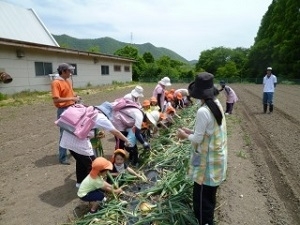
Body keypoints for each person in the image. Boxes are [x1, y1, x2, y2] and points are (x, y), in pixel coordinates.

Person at [177, 72, 227, 225]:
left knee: (203, 202)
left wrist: (183, 135)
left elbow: (198, 139)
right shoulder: (216, 104)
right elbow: (207, 133)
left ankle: (204, 222)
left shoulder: (203, 111)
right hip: (215, 158)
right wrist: (190, 131)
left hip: (208, 164)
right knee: (206, 196)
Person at [60, 106, 130, 188]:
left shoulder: (89, 111)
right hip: (79, 143)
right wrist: (127, 140)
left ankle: (79, 183)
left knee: (80, 162)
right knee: (94, 165)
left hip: (67, 139)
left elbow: (85, 131)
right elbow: (116, 132)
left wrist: (95, 135)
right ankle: (99, 187)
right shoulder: (101, 118)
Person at [51, 63, 81, 165]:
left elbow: (69, 93)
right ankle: (62, 157)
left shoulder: (67, 81)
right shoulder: (56, 83)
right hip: (63, 110)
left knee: (74, 131)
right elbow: (56, 99)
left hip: (71, 108)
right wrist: (72, 98)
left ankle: (73, 151)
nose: (71, 73)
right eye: (69, 71)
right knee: (64, 134)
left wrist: (75, 95)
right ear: (63, 71)